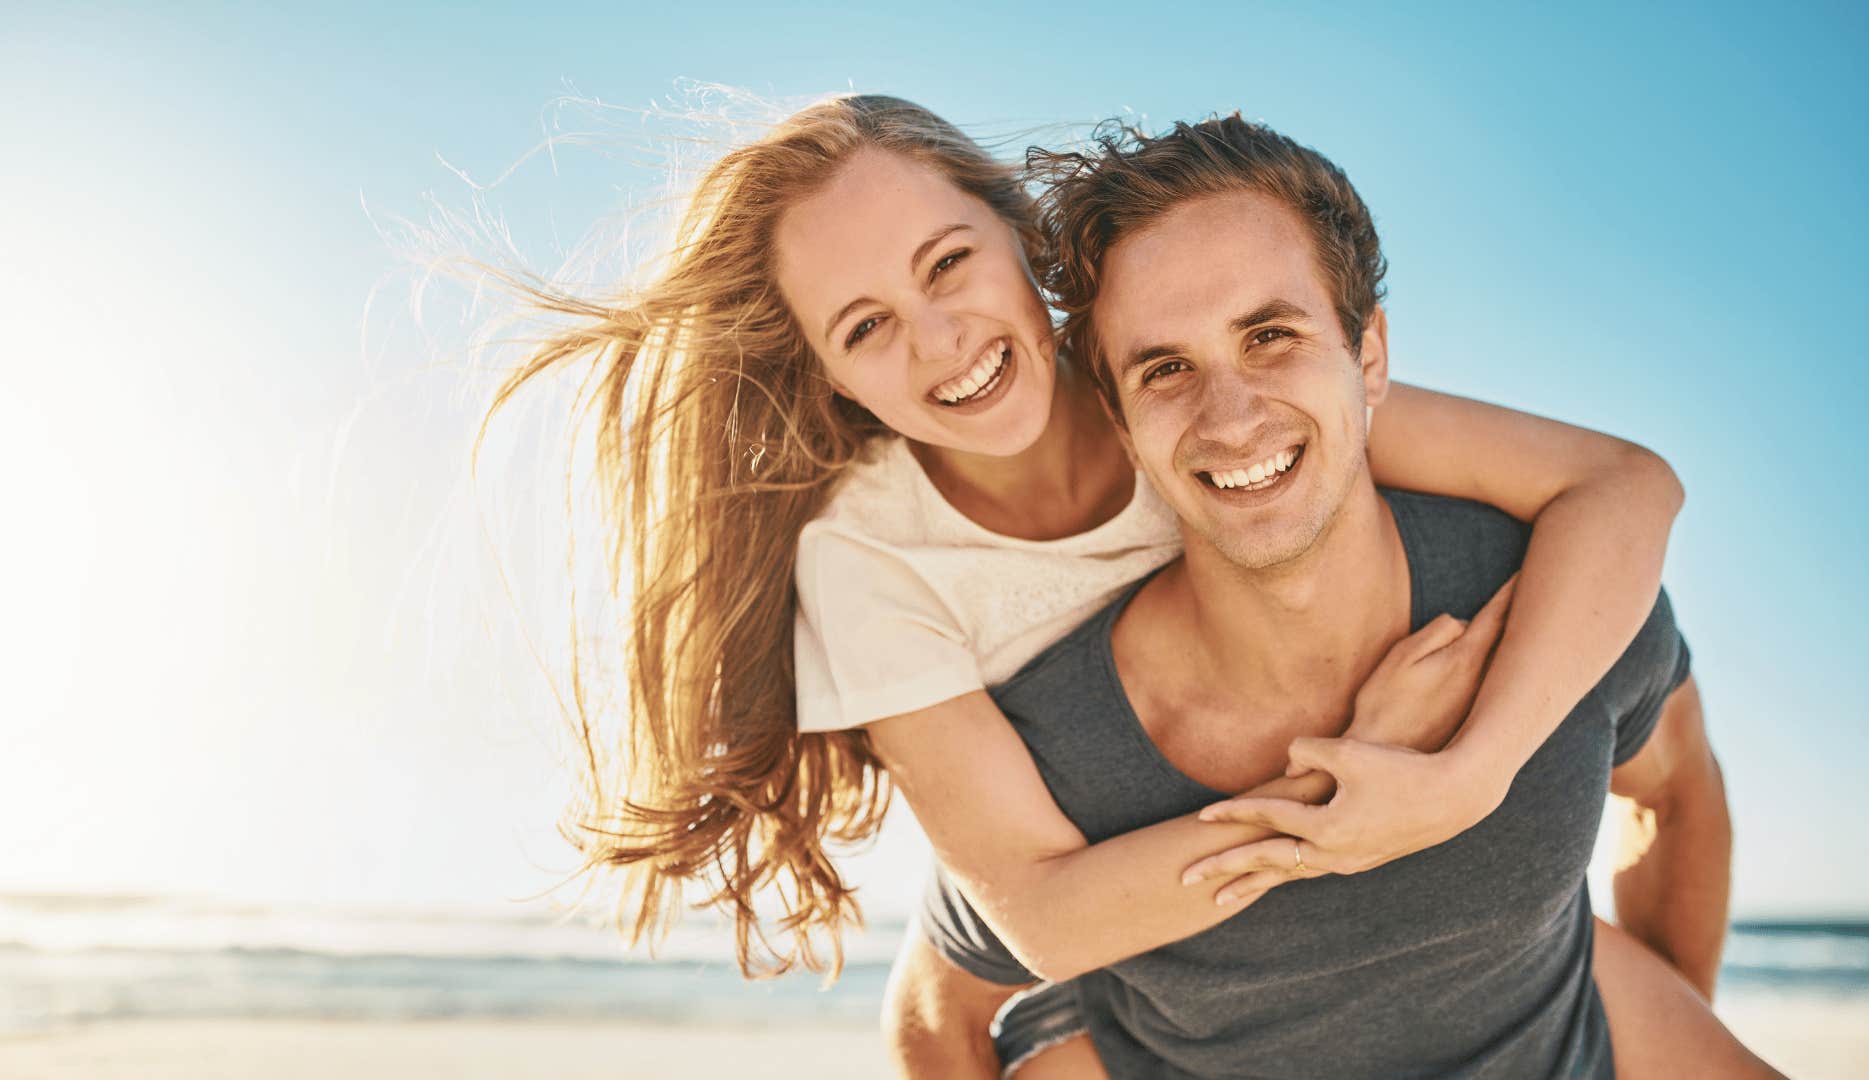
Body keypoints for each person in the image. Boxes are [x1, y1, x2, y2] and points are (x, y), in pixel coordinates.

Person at [479, 94, 1733, 1071]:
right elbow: (1043, 917)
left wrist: (1465, 775)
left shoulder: (1181, 374)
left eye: (948, 265)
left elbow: (1620, 487)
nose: (943, 342)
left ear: (1021, 243)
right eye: (864, 328)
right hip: (1092, 858)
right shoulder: (867, 561)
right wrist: (1349, 777)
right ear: (829, 375)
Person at [890, 114, 1777, 1077]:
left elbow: (1679, 792)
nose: (1230, 421)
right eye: (1166, 369)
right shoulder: (1059, 743)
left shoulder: (1548, 596)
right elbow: (938, 1017)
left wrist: (1667, 1027)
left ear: (1369, 357)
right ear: (1118, 419)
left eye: (1271, 336)